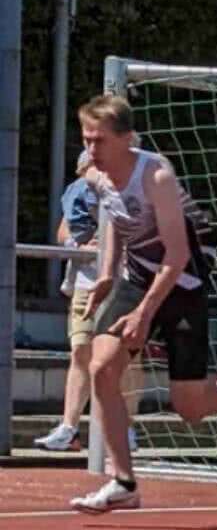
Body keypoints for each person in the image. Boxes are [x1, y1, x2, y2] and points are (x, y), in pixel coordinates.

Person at [68, 94, 217, 514]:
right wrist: (106, 274)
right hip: (136, 278)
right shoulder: (96, 176)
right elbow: (117, 221)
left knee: (189, 408)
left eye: (98, 140)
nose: (90, 150)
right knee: (102, 368)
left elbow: (175, 256)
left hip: (181, 283)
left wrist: (144, 313)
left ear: (126, 139)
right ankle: (123, 482)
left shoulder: (155, 175)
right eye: (86, 140)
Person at [36, 160, 138, 455]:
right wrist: (79, 245)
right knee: (80, 350)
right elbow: (63, 232)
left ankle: (125, 428)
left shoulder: (133, 190)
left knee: (126, 356)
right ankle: (69, 428)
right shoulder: (77, 193)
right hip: (86, 281)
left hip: (125, 282)